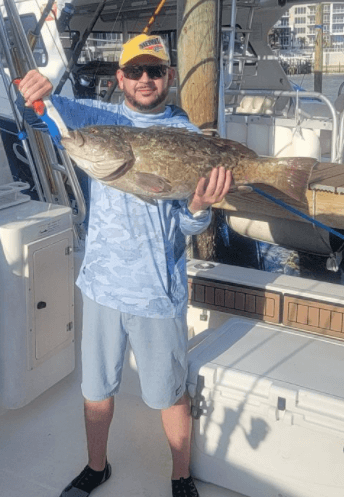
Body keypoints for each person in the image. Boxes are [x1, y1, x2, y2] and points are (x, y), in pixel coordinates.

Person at [18, 33, 232, 497]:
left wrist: (198, 206)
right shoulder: (102, 118)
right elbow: (53, 115)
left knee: (169, 391)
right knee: (96, 387)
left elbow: (192, 228)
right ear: (120, 78)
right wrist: (39, 90)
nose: (145, 79)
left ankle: (181, 475)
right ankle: (97, 467)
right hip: (100, 287)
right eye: (134, 70)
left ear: (169, 76)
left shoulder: (190, 139)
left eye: (154, 70)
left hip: (158, 292)